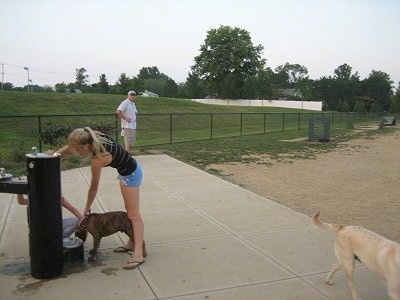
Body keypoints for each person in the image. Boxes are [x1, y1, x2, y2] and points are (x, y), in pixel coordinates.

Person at [47, 127, 144, 270]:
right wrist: (56, 154)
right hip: (125, 173)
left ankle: (138, 254)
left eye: (78, 151)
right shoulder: (91, 135)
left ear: (86, 146)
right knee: (130, 212)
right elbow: (72, 145)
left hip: (131, 175)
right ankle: (131, 243)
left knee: (134, 215)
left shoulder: (99, 158)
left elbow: (93, 188)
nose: (78, 154)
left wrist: (86, 207)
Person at [16, 194, 83, 238]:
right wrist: (19, 192)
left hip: (56, 225)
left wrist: (82, 220)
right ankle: (59, 239)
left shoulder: (58, 198)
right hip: (42, 230)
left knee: (77, 221)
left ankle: (62, 239)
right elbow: (21, 201)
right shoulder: (36, 199)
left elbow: (71, 208)